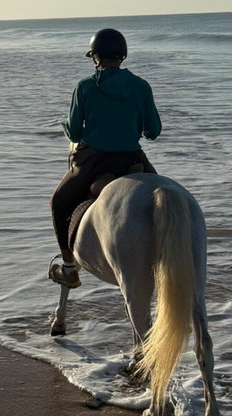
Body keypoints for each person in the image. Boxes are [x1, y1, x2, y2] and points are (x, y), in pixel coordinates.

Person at [48, 28, 161, 288]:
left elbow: (75, 131)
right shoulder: (141, 86)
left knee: (58, 203)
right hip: (134, 160)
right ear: (123, 56)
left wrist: (69, 125)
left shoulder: (85, 87)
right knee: (164, 200)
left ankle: (68, 267)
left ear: (96, 57)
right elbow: (153, 132)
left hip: (94, 162)